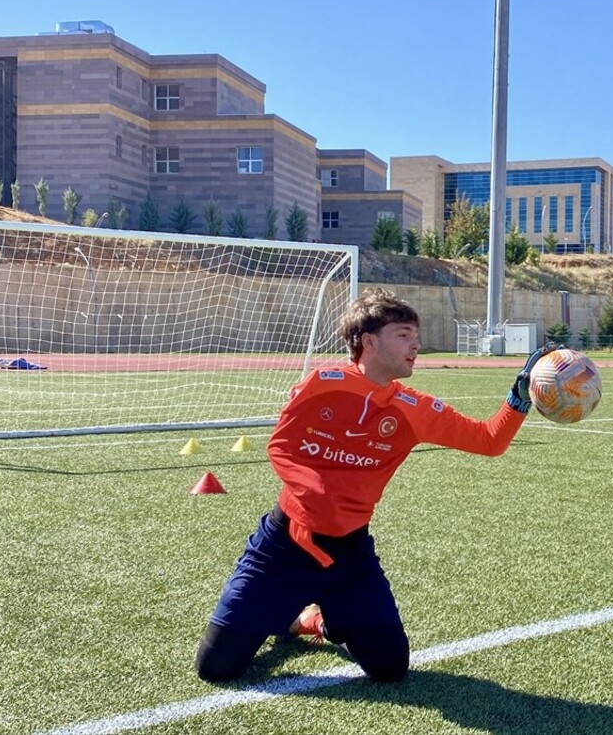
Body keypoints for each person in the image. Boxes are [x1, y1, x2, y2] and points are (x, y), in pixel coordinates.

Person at [195, 288, 555, 683]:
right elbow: (281, 447)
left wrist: (518, 399)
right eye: (403, 334)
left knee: (389, 668)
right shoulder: (322, 384)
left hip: (350, 556)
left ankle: (319, 620)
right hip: (282, 548)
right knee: (216, 668)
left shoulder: (413, 408)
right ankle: (291, 619)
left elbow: (489, 441)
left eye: (416, 334)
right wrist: (317, 492)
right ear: (368, 342)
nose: (416, 343)